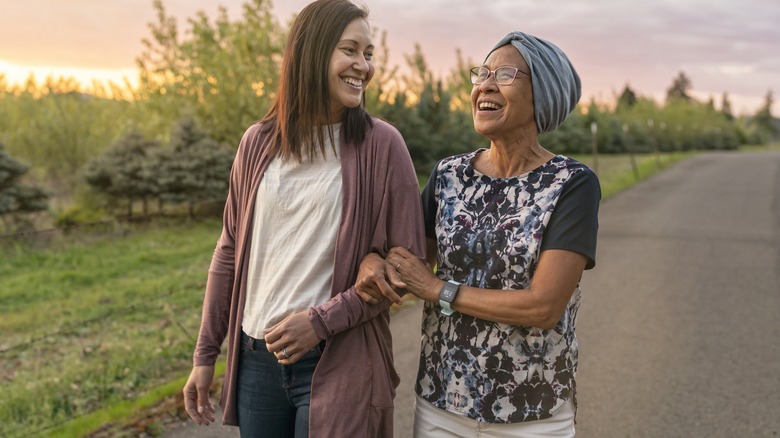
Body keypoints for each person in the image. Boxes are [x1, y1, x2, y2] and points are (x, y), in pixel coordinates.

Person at [182, 0, 425, 436]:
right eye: (350, 50)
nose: (363, 66)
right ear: (311, 52)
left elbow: (407, 267)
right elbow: (228, 252)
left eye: (368, 53)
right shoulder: (257, 142)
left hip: (340, 356)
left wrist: (320, 321)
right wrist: (205, 355)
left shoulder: (384, 145)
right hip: (257, 360)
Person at [357, 31, 600, 437]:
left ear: (543, 93)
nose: (485, 84)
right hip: (442, 404)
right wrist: (372, 259)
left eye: (505, 74)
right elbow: (407, 262)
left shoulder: (572, 184)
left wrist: (439, 290)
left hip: (534, 413)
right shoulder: (449, 175)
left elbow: (543, 308)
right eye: (482, 73)